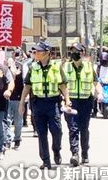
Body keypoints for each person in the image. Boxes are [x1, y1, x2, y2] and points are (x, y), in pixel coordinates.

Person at [19, 41, 71, 170]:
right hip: (38, 104)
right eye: (35, 51)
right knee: (41, 134)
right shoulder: (32, 68)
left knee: (57, 131)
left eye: (39, 51)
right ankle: (46, 160)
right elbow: (27, 87)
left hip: (53, 103)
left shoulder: (56, 67)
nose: (36, 53)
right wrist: (22, 104)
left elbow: (63, 86)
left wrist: (67, 100)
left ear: (47, 53)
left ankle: (56, 150)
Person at [63, 43, 100, 166]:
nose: (75, 53)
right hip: (71, 102)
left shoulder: (89, 67)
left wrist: (98, 93)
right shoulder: (66, 67)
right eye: (73, 50)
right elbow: (61, 85)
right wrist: (64, 99)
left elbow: (96, 82)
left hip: (86, 102)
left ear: (83, 53)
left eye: (77, 51)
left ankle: (85, 153)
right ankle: (75, 154)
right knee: (73, 129)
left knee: (84, 129)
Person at [4, 47, 25, 150]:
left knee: (18, 121)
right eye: (14, 54)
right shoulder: (5, 67)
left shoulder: (22, 67)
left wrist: (25, 97)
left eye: (17, 54)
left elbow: (25, 83)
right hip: (7, 98)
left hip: (18, 98)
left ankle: (17, 139)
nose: (15, 56)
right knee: (6, 120)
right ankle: (7, 140)